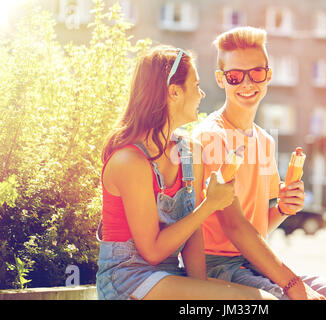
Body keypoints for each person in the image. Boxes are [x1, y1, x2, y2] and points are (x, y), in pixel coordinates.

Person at [192, 27, 326, 300]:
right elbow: (235, 227)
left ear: (269, 74)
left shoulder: (265, 141)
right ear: (221, 80)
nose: (247, 83)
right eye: (234, 76)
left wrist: (284, 208)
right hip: (218, 267)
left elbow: (258, 226)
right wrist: (294, 286)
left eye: (256, 72)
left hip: (255, 262)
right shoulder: (211, 137)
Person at [95, 44, 277, 300]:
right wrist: (210, 204)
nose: (202, 94)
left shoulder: (191, 150)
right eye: (195, 86)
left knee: (266, 299)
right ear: (174, 93)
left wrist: (203, 290)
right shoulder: (130, 161)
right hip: (128, 280)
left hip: (169, 278)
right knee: (258, 302)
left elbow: (193, 236)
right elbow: (153, 252)